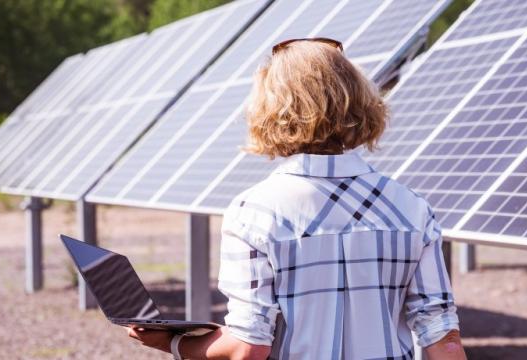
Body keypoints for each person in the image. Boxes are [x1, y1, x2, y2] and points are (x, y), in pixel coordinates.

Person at [127, 37, 465, 360]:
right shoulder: (412, 209)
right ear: (360, 100)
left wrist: (173, 343)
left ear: (270, 109)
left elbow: (249, 348)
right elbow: (443, 339)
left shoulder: (253, 212)